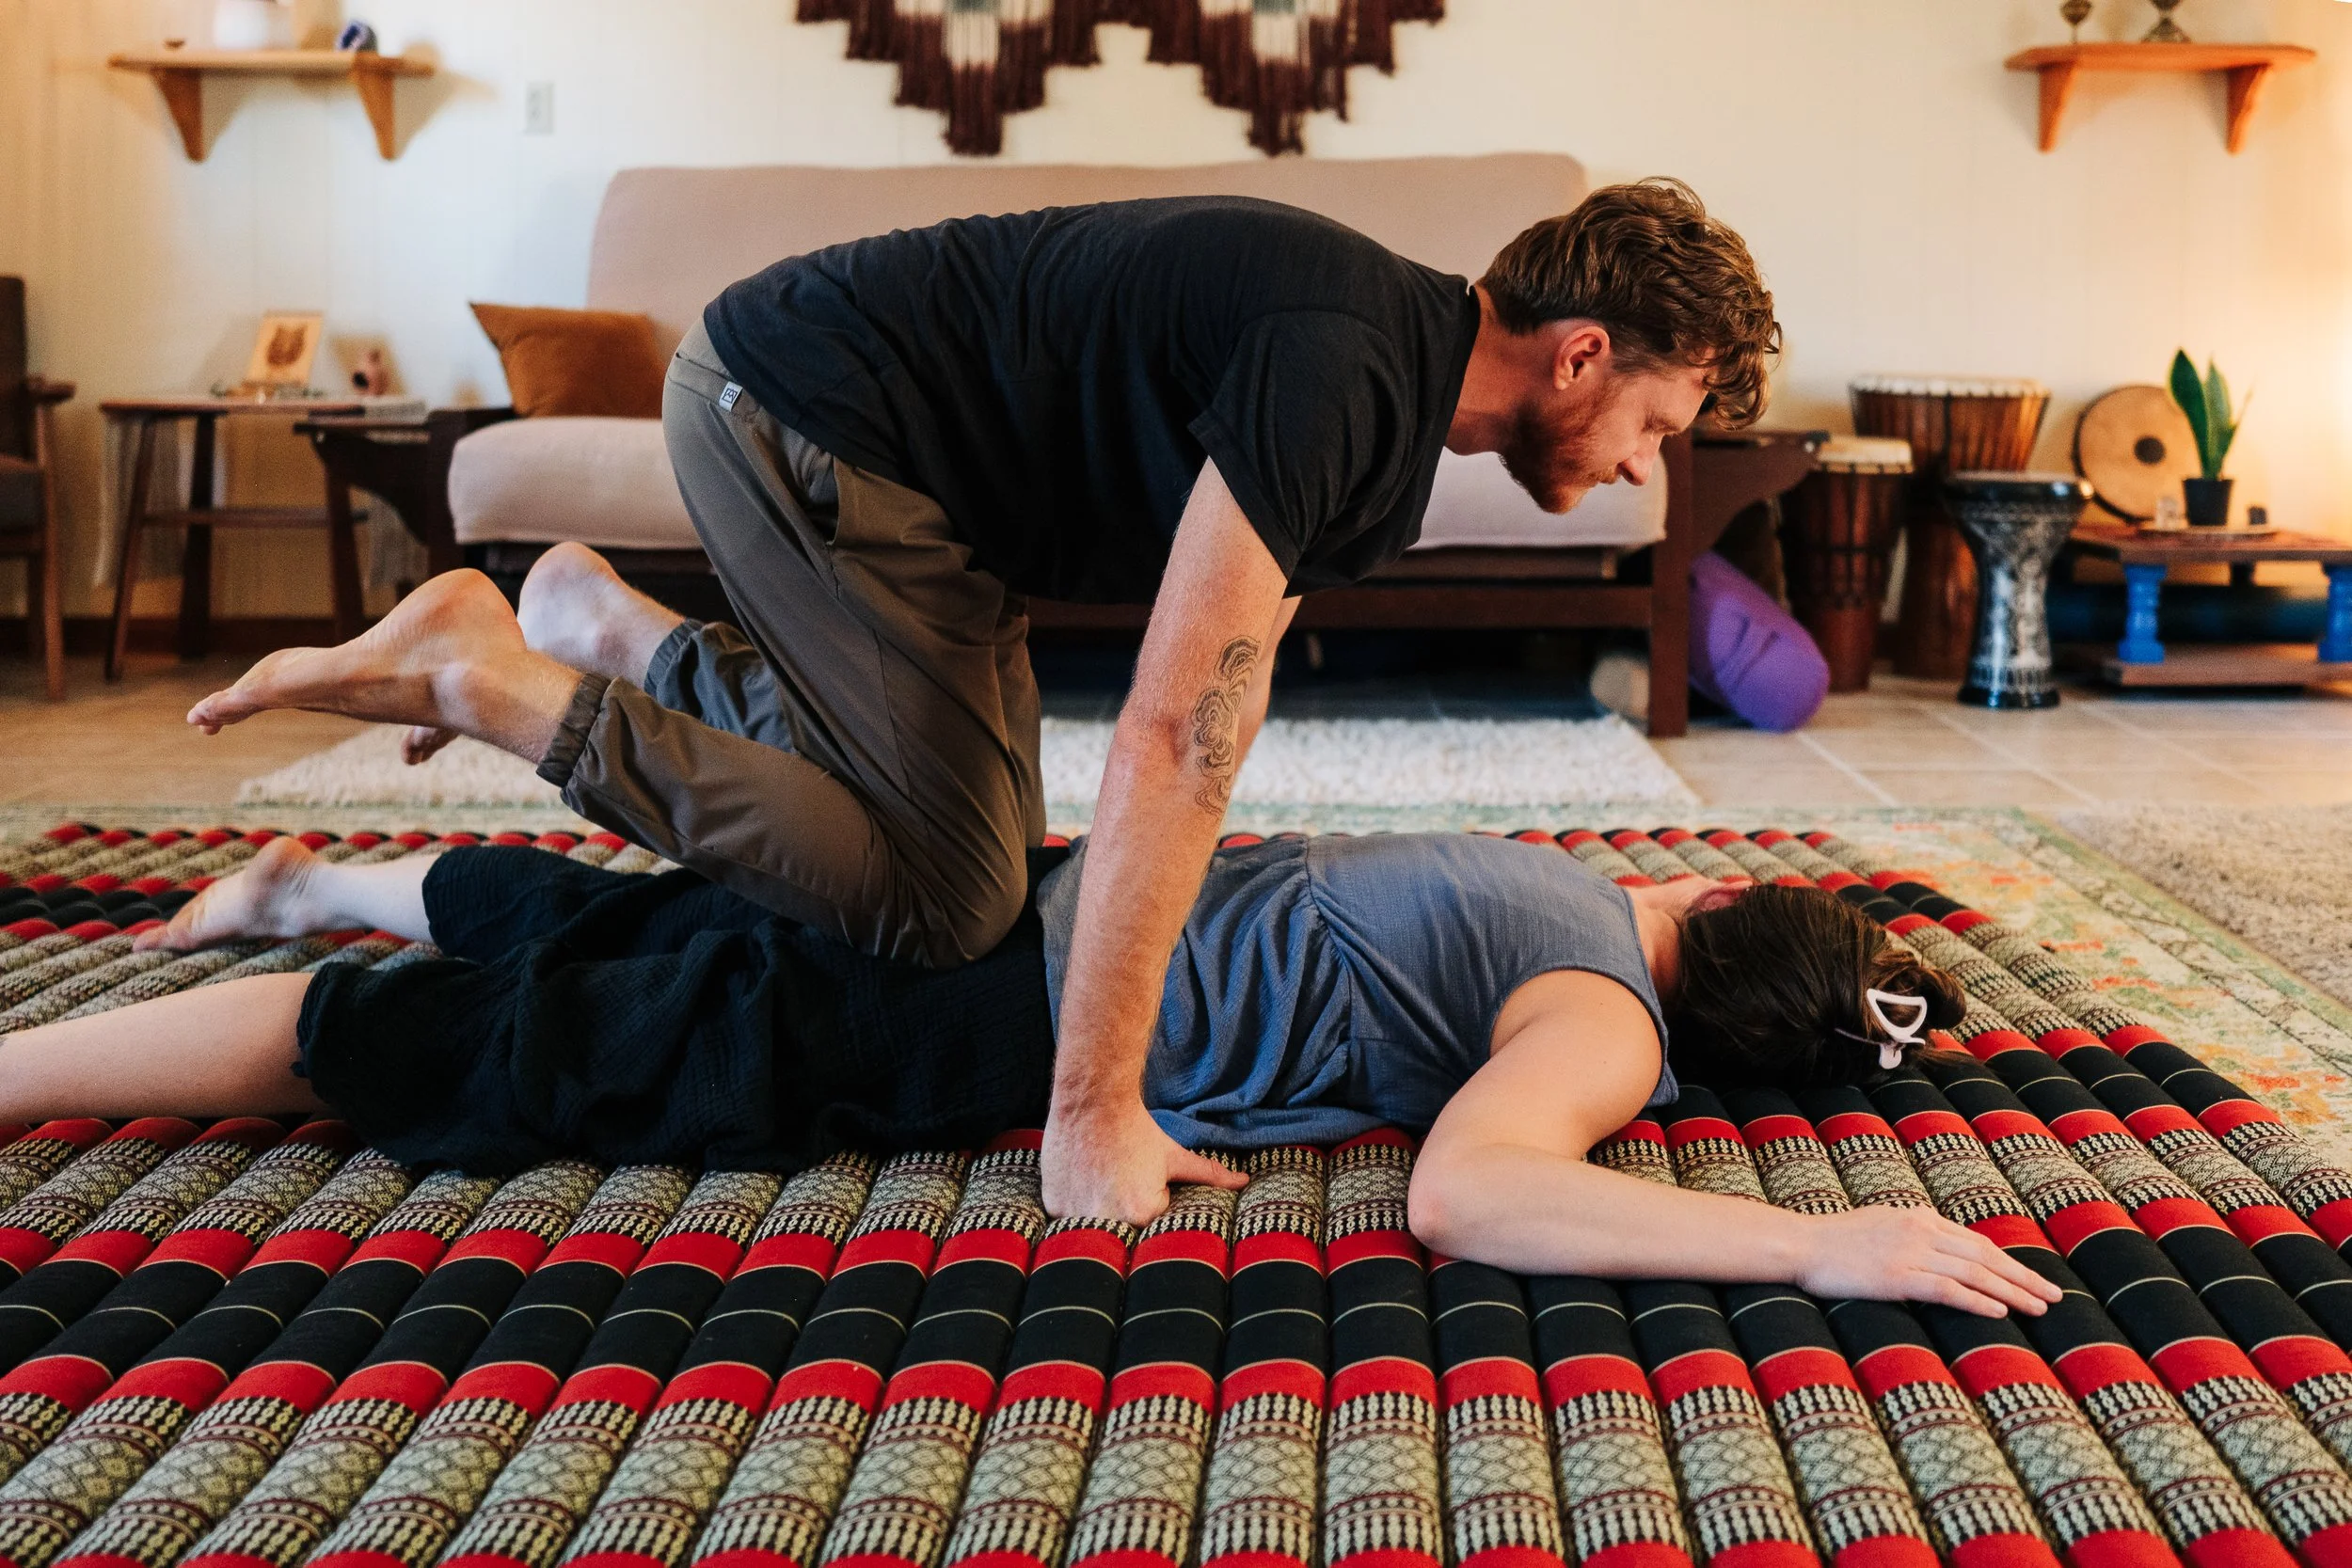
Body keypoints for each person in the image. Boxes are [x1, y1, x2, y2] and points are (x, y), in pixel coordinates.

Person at [180, 180, 1783, 1227]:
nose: (1648, 465)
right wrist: (1096, 1111)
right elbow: (1174, 732)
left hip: (934, 526)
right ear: (1580, 356)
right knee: (940, 902)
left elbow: (1212, 699)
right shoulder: (1348, 367)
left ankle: (607, 628)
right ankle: (503, 680)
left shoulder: (1391, 413)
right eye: (1658, 419)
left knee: (979, 864)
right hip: (799, 414)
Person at [3, 832, 2056, 1320]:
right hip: (993, 1025)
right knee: (474, 1055)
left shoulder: (1569, 871)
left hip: (1008, 878)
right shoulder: (1601, 1015)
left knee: (647, 918)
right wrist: (1817, 1251)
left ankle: (320, 870)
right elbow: (1473, 1191)